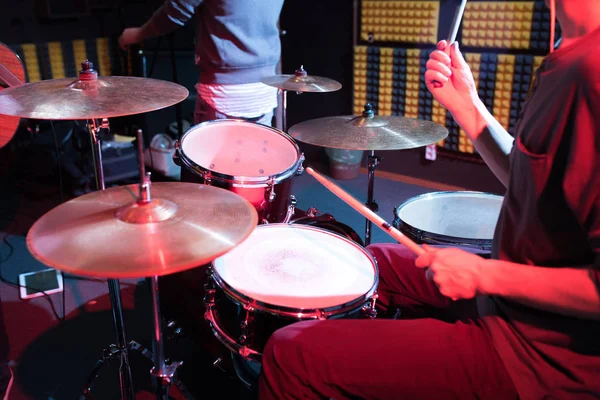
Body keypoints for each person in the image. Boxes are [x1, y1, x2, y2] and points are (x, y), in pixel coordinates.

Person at [257, 0, 600, 398]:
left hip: (537, 357)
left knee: (290, 356)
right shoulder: (566, 51)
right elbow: (532, 178)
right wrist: (467, 106)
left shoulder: (591, 73)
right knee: (371, 264)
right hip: (505, 298)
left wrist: (485, 275)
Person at [118, 0, 283, 126]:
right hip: (265, 85)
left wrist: (137, 34)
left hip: (225, 91)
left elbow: (175, 11)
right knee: (256, 161)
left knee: (214, 166)